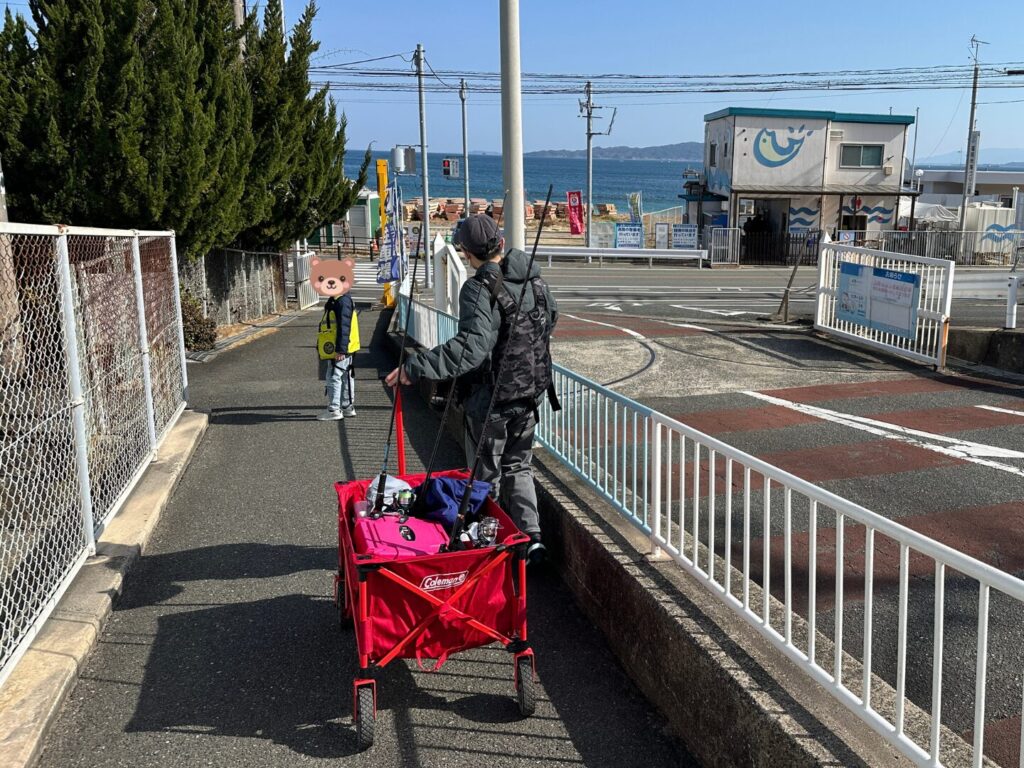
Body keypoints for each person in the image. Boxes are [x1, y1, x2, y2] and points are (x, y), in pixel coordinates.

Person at [385, 215, 557, 564]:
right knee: (519, 467)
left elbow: (470, 349)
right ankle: (531, 539)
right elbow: (550, 319)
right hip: (530, 395)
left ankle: (490, 550)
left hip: (491, 400)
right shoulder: (535, 280)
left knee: (484, 478)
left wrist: (415, 367)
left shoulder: (479, 288)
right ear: (501, 242)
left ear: (466, 252)